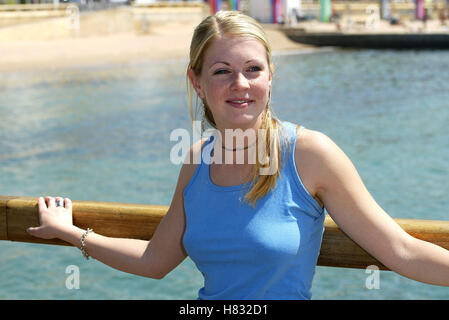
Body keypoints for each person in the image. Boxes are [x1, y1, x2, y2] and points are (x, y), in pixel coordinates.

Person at [27, 11, 449, 300]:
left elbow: (401, 250)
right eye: (221, 71)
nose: (240, 84)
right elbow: (156, 261)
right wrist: (70, 234)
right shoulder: (196, 159)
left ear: (270, 74)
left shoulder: (309, 153)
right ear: (197, 82)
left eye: (252, 69)